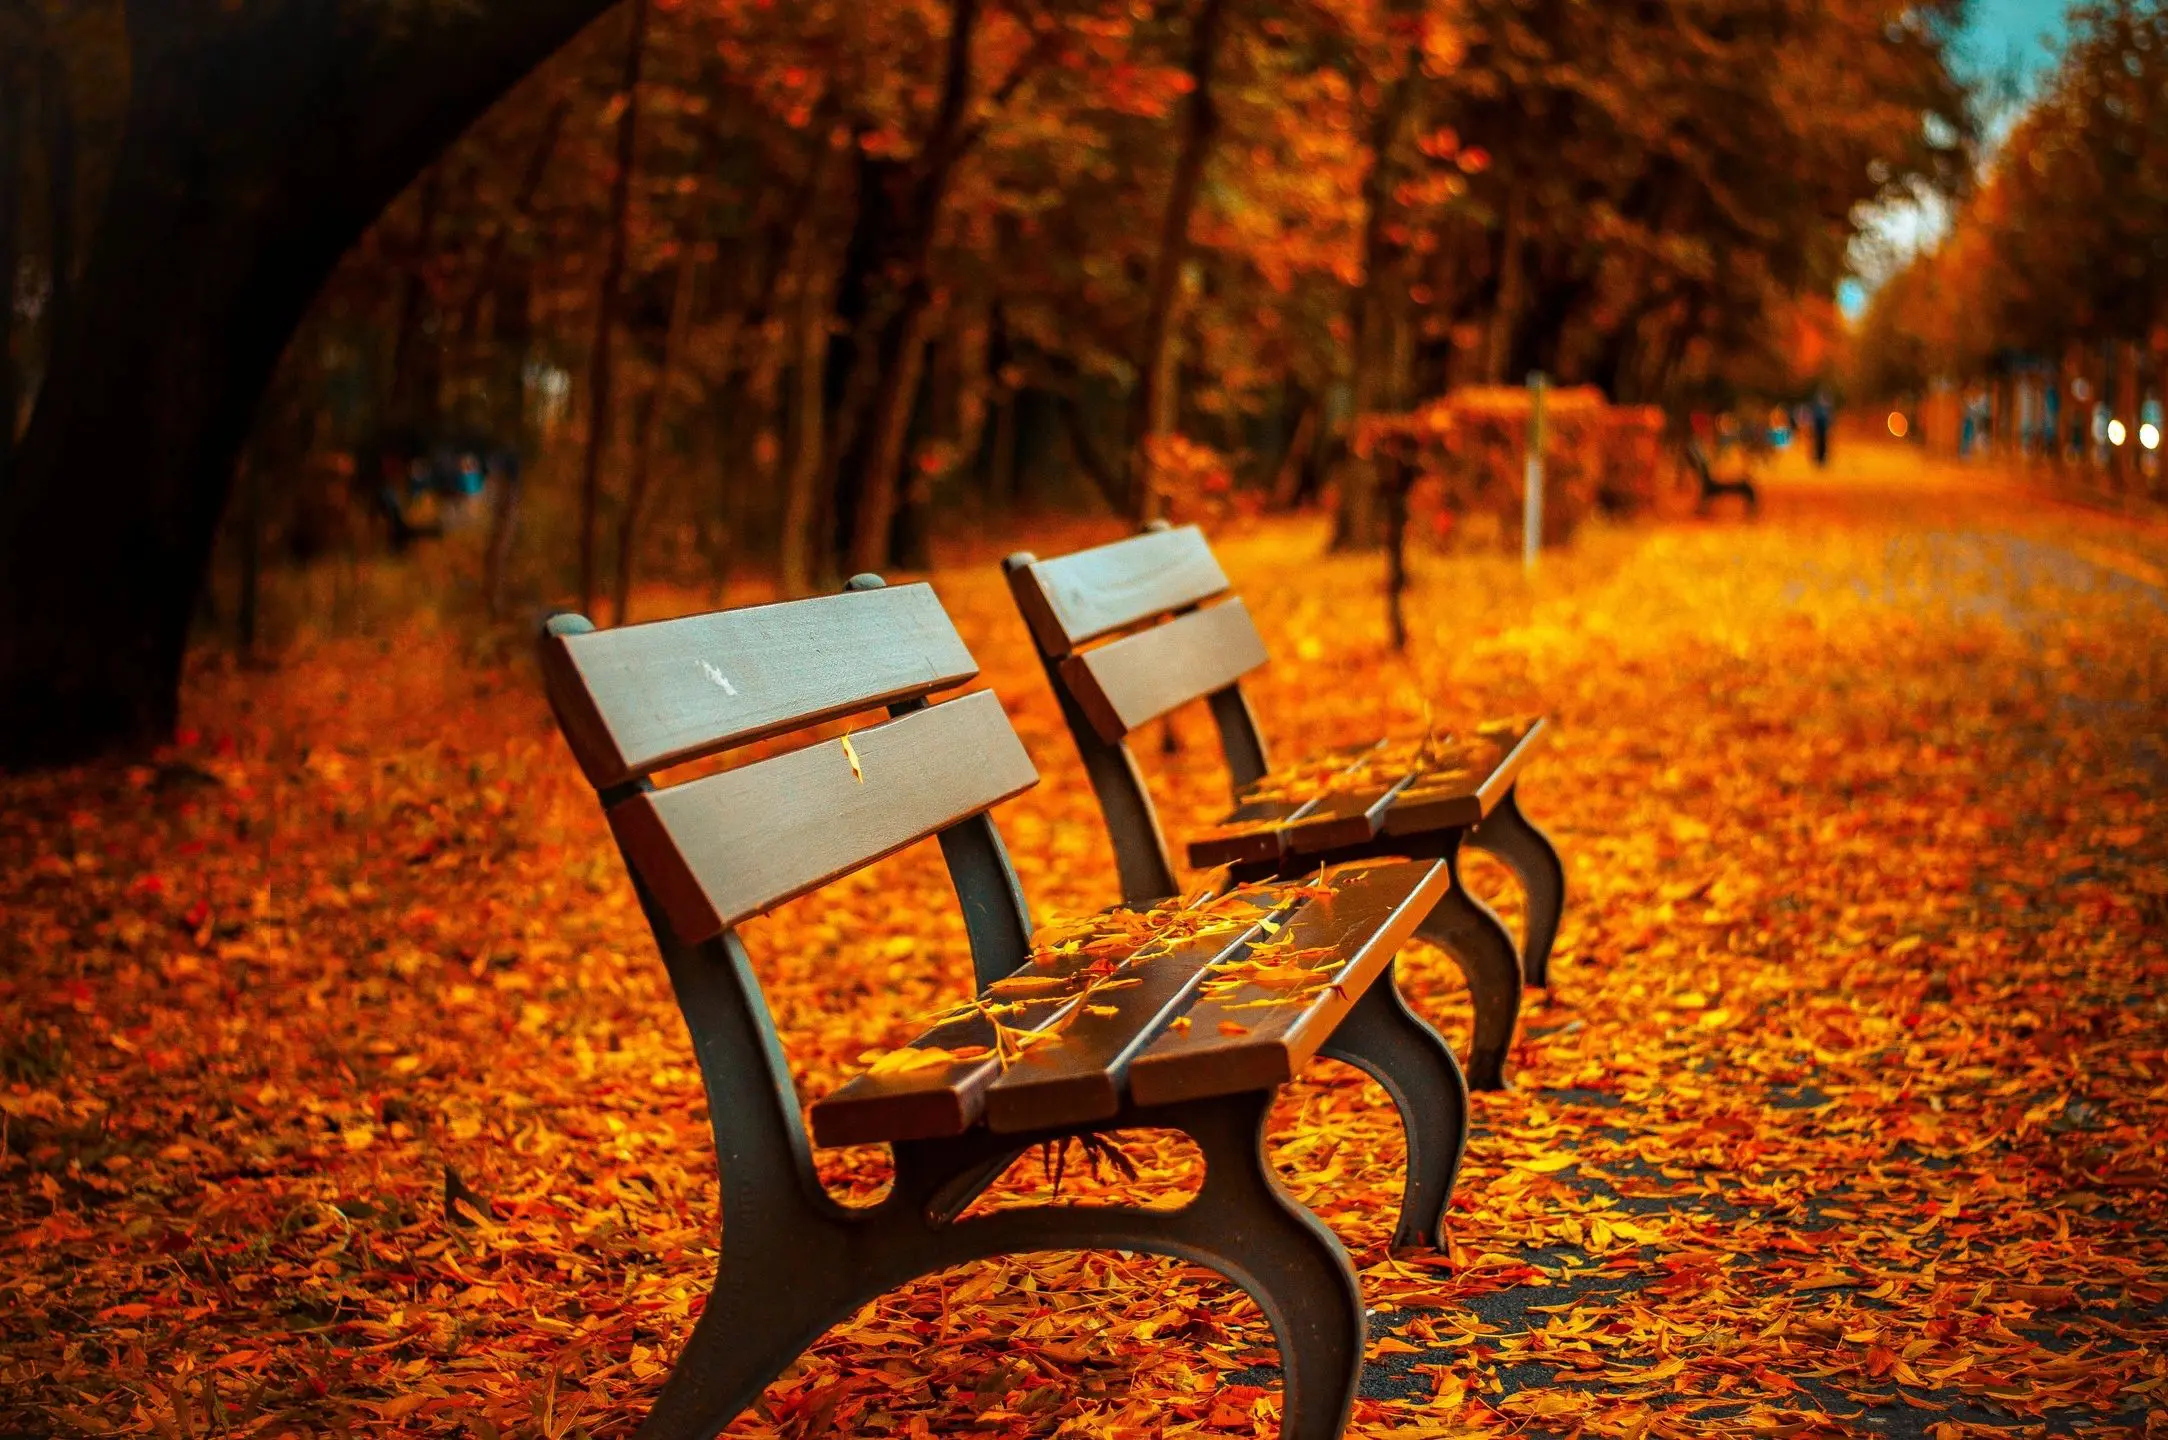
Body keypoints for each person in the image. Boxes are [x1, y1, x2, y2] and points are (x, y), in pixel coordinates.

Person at [1810, 390, 1832, 467]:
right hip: (1819, 431)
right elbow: (1815, 420)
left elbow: (1828, 420)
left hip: (1823, 431)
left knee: (1823, 446)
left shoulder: (1825, 408)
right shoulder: (1818, 408)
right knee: (1818, 446)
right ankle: (1819, 460)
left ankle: (1822, 460)